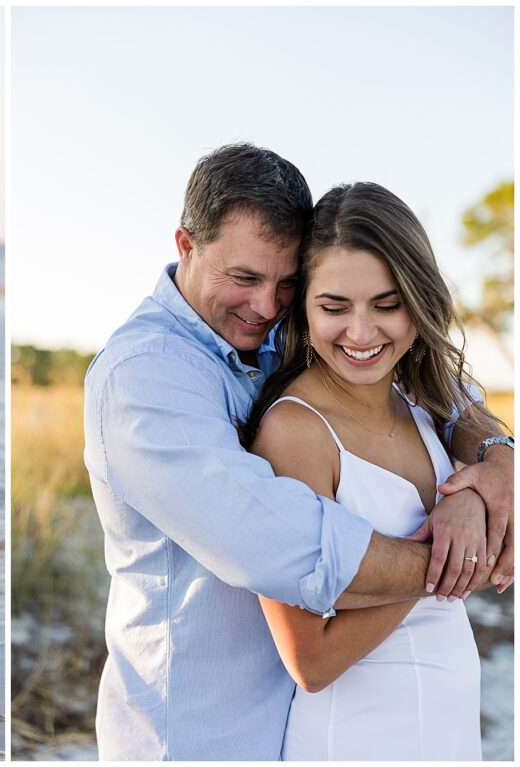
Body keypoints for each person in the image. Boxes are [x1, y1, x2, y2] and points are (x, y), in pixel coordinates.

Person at [83, 144, 513, 760]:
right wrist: (461, 553)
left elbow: (442, 389)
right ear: (185, 245)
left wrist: (498, 459)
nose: (264, 305)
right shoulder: (146, 377)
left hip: (293, 728)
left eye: (287, 284)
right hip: (197, 737)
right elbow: (279, 540)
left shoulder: (280, 331)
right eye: (244, 278)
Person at [244, 182, 504, 759]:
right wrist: (447, 556)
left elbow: (483, 444)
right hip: (358, 739)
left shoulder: (423, 402)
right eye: (334, 308)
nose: (361, 334)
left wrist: (472, 497)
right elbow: (309, 659)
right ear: (304, 307)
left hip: (450, 733)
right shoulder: (296, 432)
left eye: (387, 305)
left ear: (420, 301)